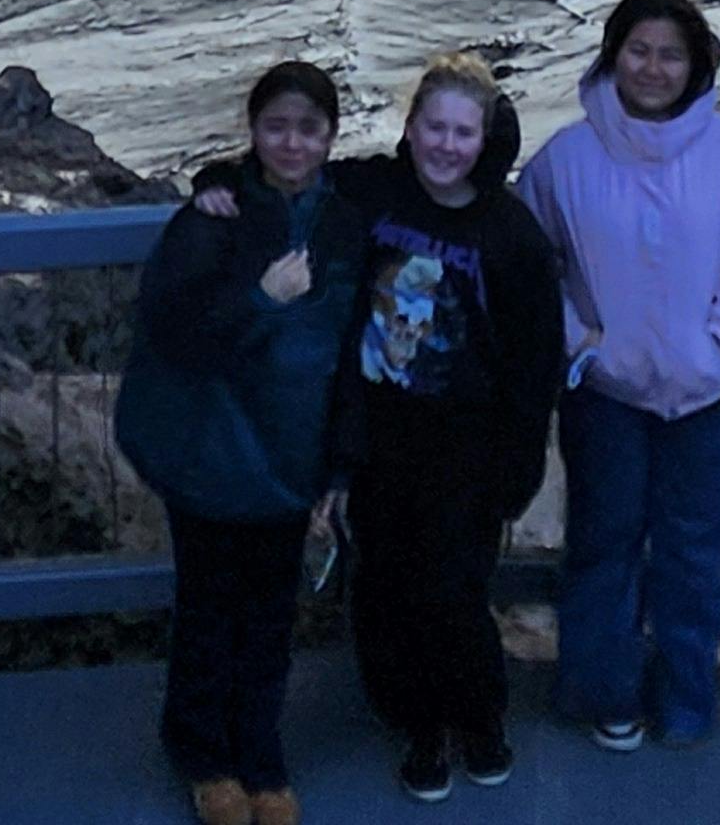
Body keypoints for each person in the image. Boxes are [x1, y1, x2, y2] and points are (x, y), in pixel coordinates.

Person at [517, 0, 720, 750]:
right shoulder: (565, 158)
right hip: (606, 391)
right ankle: (601, 694)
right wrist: (581, 343)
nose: (652, 67)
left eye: (670, 54)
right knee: (604, 544)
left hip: (708, 392)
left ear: (697, 64)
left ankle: (684, 694)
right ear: (614, 55)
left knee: (696, 550)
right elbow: (530, 262)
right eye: (639, 50)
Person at [119, 61, 368, 825]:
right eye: (275, 126)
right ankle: (203, 753)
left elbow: (355, 346)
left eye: (308, 128)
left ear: (330, 136)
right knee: (209, 607)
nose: (292, 143)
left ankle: (259, 752)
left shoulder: (345, 220)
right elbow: (178, 328)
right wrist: (264, 300)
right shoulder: (213, 218)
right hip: (217, 451)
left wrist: (341, 461)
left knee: (267, 613)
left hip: (292, 454)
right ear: (253, 130)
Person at [324, 54, 563, 804]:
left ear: (485, 137)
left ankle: (479, 719)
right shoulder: (373, 192)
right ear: (411, 125)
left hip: (469, 451)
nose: (446, 145)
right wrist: (216, 190)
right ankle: (419, 726)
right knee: (387, 588)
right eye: (435, 126)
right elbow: (281, 175)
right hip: (380, 440)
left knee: (455, 591)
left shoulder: (511, 236)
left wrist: (519, 468)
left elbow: (535, 362)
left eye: (463, 131)